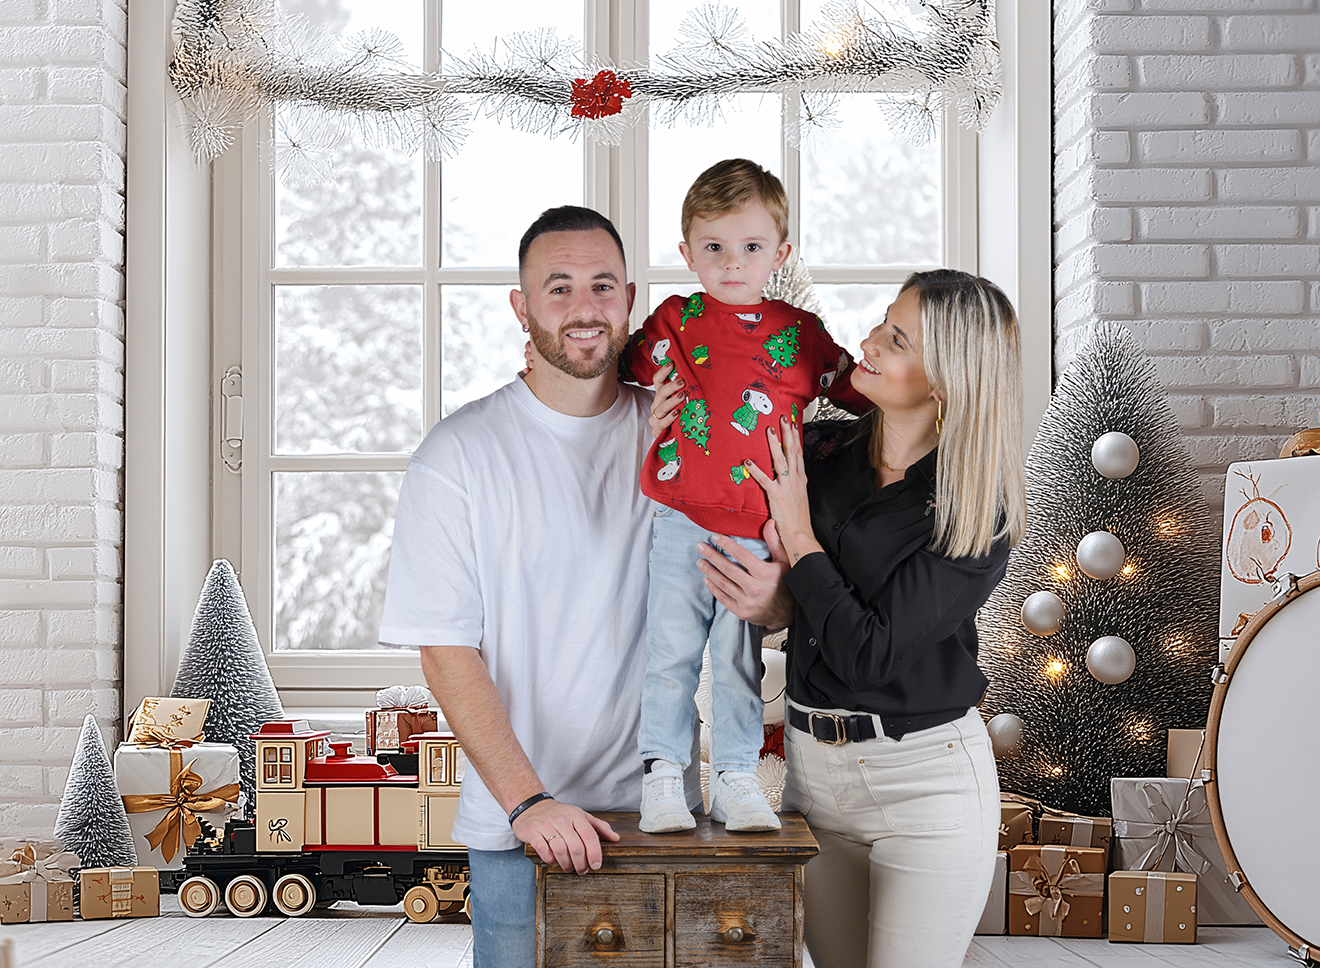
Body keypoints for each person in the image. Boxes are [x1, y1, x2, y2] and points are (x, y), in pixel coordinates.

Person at [658, 270, 1027, 967]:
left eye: (897, 340)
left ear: (946, 379)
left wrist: (800, 537)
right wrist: (666, 434)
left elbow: (869, 654)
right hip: (813, 776)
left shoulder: (975, 509)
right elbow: (779, 580)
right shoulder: (820, 453)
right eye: (882, 323)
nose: (869, 342)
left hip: (924, 785)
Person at [378, 206, 660, 968]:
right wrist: (528, 801)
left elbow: (743, 598)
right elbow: (446, 651)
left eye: (602, 285)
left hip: (659, 819)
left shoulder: (670, 435)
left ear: (629, 299)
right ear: (522, 306)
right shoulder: (458, 455)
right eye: (558, 287)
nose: (584, 307)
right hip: (518, 827)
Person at [623, 158, 869, 833]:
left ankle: (734, 777)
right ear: (687, 253)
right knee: (670, 652)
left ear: (780, 254)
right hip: (679, 518)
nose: (733, 263)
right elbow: (610, 368)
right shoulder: (672, 322)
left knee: (737, 660)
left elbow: (861, 393)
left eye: (751, 247)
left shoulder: (800, 335)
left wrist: (932, 398)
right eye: (714, 247)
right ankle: (663, 775)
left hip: (757, 531)